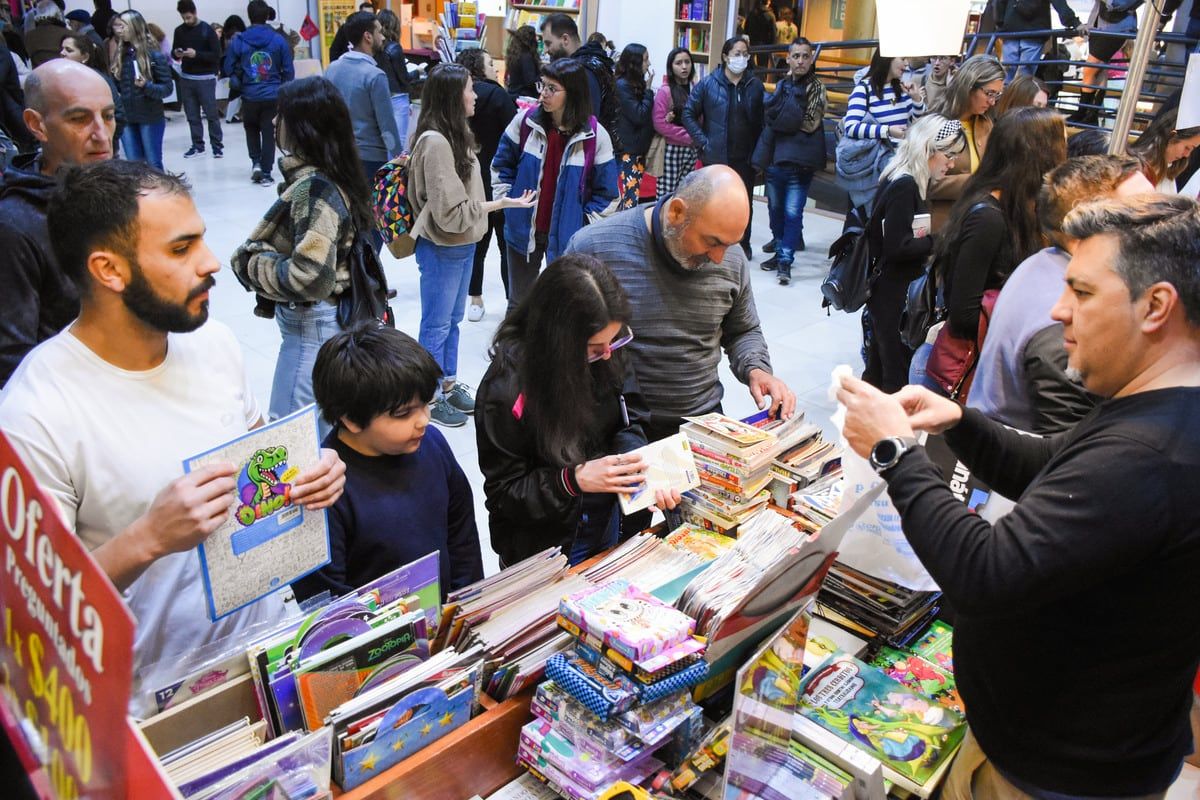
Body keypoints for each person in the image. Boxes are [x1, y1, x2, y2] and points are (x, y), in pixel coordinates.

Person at [836, 192, 1200, 800]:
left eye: (1081, 293)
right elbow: (1057, 464)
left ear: (1156, 306)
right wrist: (960, 423)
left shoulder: (1150, 458)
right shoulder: (1156, 411)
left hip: (1054, 774)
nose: (1058, 310)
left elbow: (985, 571)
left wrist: (894, 453)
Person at [0, 159, 346, 716]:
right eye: (182, 249)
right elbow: (27, 613)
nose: (211, 263)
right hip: (155, 704)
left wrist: (310, 474)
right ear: (109, 270)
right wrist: (149, 538)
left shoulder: (214, 343)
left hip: (272, 652)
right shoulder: (34, 413)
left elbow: (260, 459)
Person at [564, 165, 794, 441]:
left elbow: (743, 330)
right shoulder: (595, 247)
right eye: (712, 242)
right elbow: (556, 336)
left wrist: (757, 369)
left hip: (702, 422)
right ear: (676, 213)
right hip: (616, 425)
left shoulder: (732, 259)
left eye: (730, 244)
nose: (720, 258)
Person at [477, 254, 678, 566]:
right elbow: (505, 495)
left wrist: (637, 465)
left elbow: (631, 418)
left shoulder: (608, 350)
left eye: (613, 341)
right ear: (558, 341)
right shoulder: (505, 392)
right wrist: (572, 480)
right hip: (545, 548)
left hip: (605, 520)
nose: (609, 355)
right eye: (595, 349)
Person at [292, 325, 484, 601]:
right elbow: (325, 597)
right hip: (376, 636)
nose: (423, 420)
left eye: (426, 403)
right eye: (403, 413)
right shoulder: (326, 486)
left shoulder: (432, 443)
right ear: (351, 419)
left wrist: (467, 603)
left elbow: (461, 535)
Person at [969, 155, 1154, 434]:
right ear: (1084, 228)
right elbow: (1068, 457)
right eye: (1142, 217)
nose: (1162, 224)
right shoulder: (1068, 326)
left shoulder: (1046, 261)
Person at [230, 76, 370, 430]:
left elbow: (308, 276)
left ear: (305, 126)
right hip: (323, 324)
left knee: (292, 438)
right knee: (319, 429)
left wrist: (251, 262)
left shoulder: (315, 188)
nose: (275, 122)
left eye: (282, 114)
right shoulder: (333, 175)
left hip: (311, 329)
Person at [408, 64, 536, 428]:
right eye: (468, 89)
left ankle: (446, 383)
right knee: (436, 324)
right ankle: (428, 398)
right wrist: (498, 206)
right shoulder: (435, 143)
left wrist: (498, 205)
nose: (475, 95)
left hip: (461, 244)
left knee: (452, 321)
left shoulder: (455, 134)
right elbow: (450, 211)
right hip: (443, 245)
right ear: (452, 97)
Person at [928, 107, 1067, 397]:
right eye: (1060, 145)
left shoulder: (1019, 208)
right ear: (1040, 154)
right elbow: (963, 313)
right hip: (964, 373)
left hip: (986, 365)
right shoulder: (988, 217)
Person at [0, 60, 113, 387]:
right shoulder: (15, 224)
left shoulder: (128, 191)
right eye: (79, 119)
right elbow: (13, 360)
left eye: (108, 116)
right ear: (37, 125)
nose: (101, 135)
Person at [491, 58, 618, 311]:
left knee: (561, 309)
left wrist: (584, 224)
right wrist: (508, 203)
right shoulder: (526, 122)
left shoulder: (595, 135)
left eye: (552, 88)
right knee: (518, 306)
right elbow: (500, 166)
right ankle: (513, 352)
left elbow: (609, 195)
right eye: (542, 85)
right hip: (523, 230)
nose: (543, 94)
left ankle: (547, 352)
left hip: (568, 238)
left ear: (573, 93)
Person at [863, 115, 965, 393]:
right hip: (893, 294)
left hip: (891, 291)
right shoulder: (905, 185)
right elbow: (897, 246)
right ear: (930, 149)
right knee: (892, 376)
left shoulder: (905, 179)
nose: (952, 164)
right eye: (949, 155)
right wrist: (939, 241)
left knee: (879, 368)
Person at [682, 36, 764, 259]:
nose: (741, 58)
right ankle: (713, 242)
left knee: (744, 202)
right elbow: (688, 113)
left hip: (745, 157)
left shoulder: (754, 85)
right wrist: (702, 140)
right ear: (725, 56)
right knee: (714, 201)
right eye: (737, 54)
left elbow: (761, 121)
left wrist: (760, 154)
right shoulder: (709, 83)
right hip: (716, 155)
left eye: (745, 54)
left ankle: (742, 244)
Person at [752, 38, 826, 285]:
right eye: (796, 56)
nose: (801, 61)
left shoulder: (816, 87)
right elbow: (770, 115)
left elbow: (810, 123)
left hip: (800, 162)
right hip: (776, 159)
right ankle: (781, 248)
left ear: (811, 58)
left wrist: (782, 119)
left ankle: (785, 260)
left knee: (793, 213)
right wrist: (783, 119)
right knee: (775, 211)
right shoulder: (783, 85)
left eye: (806, 56)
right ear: (788, 58)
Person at [458, 48, 517, 323]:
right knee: (507, 243)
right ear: (479, 68)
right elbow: (517, 134)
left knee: (477, 241)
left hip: (470, 177)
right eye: (491, 64)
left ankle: (475, 299)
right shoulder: (498, 96)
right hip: (500, 178)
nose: (496, 69)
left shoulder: (457, 95)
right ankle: (511, 301)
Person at [838, 50, 925, 212]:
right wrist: (887, 131)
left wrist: (916, 100)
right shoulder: (864, 89)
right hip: (874, 169)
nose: (907, 63)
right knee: (871, 220)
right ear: (887, 58)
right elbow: (851, 127)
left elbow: (916, 126)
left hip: (901, 165)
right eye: (903, 58)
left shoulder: (901, 88)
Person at [928, 54, 1006, 226]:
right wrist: (978, 181)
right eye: (989, 93)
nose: (992, 102)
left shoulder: (986, 124)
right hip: (943, 223)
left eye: (997, 95)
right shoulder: (937, 124)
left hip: (976, 221)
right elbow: (925, 183)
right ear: (969, 86)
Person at [326, 10, 399, 187]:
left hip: (338, 154)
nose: (382, 37)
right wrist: (399, 158)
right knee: (367, 210)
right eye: (379, 32)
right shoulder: (375, 76)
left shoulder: (332, 69)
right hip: (369, 158)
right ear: (368, 36)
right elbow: (386, 125)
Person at [224, 0, 292, 185]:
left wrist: (238, 78)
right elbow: (288, 71)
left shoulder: (239, 40)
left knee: (251, 128)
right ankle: (267, 172)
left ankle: (256, 163)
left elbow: (227, 65)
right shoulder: (278, 40)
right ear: (267, 16)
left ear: (249, 15)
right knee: (268, 131)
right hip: (272, 94)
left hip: (249, 94)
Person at [539, 13, 620, 149]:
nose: (546, 50)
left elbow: (587, 124)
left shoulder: (583, 72)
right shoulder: (591, 63)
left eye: (548, 43)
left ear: (565, 39)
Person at [107, 10, 169, 170]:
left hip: (150, 118)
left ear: (135, 27)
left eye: (123, 26)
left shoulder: (154, 56)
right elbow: (115, 86)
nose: (119, 30)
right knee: (134, 165)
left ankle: (159, 195)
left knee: (153, 163)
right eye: (118, 26)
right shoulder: (120, 55)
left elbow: (167, 88)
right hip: (127, 118)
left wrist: (146, 86)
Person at [173, 0, 223, 160]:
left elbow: (216, 55)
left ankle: (217, 146)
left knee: (211, 114)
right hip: (187, 77)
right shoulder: (179, 31)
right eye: (183, 18)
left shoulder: (206, 30)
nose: (186, 21)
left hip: (206, 78)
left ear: (194, 12)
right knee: (192, 114)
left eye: (188, 17)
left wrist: (197, 54)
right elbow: (174, 53)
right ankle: (197, 145)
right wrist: (178, 54)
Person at [60, 33, 123, 149]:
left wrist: (106, 139)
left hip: (99, 146)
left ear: (84, 57)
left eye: (69, 50)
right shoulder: (63, 80)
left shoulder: (98, 80)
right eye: (62, 49)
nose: (62, 53)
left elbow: (118, 114)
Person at [652, 46, 698, 197]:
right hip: (671, 148)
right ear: (671, 66)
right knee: (666, 195)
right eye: (678, 63)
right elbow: (659, 123)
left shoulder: (696, 88)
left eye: (687, 62)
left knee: (685, 194)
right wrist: (688, 136)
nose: (684, 66)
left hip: (692, 149)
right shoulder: (665, 91)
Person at [613, 43, 655, 210]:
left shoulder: (633, 84)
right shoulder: (623, 85)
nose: (649, 64)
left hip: (636, 150)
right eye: (645, 59)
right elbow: (640, 114)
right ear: (635, 63)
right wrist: (649, 91)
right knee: (628, 201)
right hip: (628, 151)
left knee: (633, 198)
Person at [995, 0, 1081, 79]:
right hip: (1034, 32)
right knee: (1025, 75)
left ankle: (1005, 94)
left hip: (1011, 30)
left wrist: (1000, 24)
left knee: (1008, 73)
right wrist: (1074, 23)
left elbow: (999, 3)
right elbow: (1059, 4)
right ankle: (1021, 94)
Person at [1128, 107, 1200, 193]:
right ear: (1172, 136)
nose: (1187, 154)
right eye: (1187, 148)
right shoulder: (1137, 168)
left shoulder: (1168, 168)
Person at [374, 9, 410, 152]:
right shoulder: (395, 48)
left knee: (385, 139)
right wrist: (417, 73)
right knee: (399, 142)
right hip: (398, 97)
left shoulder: (375, 49)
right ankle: (395, 173)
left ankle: (384, 171)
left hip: (382, 96)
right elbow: (403, 79)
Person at [24, 3, 68, 68]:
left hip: (40, 74)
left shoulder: (30, 36)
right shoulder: (70, 34)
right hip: (65, 72)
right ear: (58, 14)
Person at [504, 24, 539, 100]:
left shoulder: (514, 54)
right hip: (525, 97)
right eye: (535, 36)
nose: (537, 38)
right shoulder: (527, 56)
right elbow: (530, 81)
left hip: (513, 93)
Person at [744, 0, 776, 67]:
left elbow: (746, 28)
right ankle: (761, 77)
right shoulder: (770, 15)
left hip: (752, 42)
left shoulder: (752, 13)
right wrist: (772, 45)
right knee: (763, 66)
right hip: (764, 43)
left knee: (749, 64)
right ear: (768, 2)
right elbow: (773, 32)